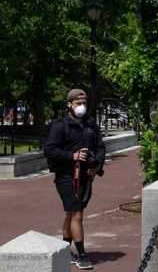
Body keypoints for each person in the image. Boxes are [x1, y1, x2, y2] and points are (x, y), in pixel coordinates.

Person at [44, 88, 105, 270]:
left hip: (86, 176)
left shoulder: (91, 125)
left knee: (71, 213)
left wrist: (96, 166)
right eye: (78, 103)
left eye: (84, 103)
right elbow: (50, 150)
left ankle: (65, 248)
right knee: (77, 213)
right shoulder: (59, 126)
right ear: (69, 104)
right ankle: (82, 255)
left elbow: (101, 147)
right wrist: (73, 156)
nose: (82, 107)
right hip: (66, 176)